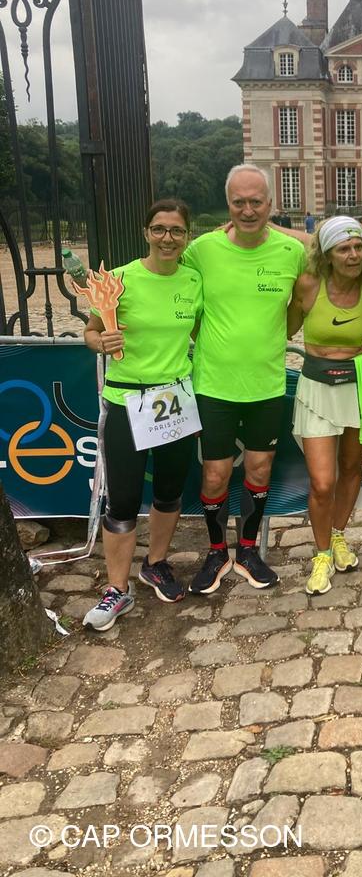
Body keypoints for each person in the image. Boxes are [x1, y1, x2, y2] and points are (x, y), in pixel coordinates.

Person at [184, 165, 305, 595]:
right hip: (214, 385)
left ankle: (249, 550)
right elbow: (173, 291)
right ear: (228, 204)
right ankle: (217, 552)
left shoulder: (291, 251)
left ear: (270, 204)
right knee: (216, 474)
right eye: (239, 202)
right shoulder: (202, 249)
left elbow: (298, 308)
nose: (248, 210)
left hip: (266, 384)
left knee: (259, 468)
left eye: (256, 202)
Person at [82, 199, 202, 630]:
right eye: (159, 229)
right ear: (146, 232)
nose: (168, 238)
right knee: (123, 501)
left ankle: (156, 563)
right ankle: (117, 589)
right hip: (127, 400)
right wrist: (101, 342)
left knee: (169, 492)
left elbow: (200, 332)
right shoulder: (118, 280)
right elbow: (90, 331)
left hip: (175, 400)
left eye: (176, 230)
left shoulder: (194, 281)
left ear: (186, 236)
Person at [287, 217, 362, 595]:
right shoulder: (308, 285)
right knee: (322, 481)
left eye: (358, 247)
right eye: (344, 248)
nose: (353, 255)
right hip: (317, 387)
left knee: (351, 467)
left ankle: (339, 534)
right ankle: (322, 554)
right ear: (327, 254)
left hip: (357, 386)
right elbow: (284, 329)